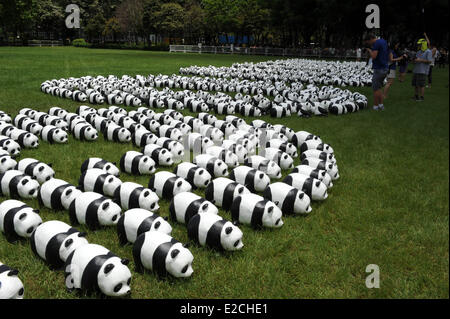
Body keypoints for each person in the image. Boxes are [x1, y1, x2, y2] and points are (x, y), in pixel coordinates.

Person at [365, 33, 389, 111]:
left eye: (368, 42)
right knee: (379, 88)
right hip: (385, 67)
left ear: (371, 39)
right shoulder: (383, 41)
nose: (369, 44)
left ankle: (375, 106)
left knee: (376, 88)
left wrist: (369, 51)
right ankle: (381, 105)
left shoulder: (376, 44)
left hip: (379, 69)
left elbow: (374, 56)